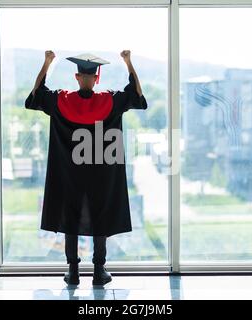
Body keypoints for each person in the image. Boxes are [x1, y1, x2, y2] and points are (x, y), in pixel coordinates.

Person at [24, 50, 147, 286]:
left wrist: (46, 63)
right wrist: (129, 62)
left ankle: (73, 272)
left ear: (77, 77)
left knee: (70, 215)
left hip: (69, 173)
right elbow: (137, 94)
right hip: (102, 172)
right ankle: (99, 271)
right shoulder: (109, 101)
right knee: (101, 215)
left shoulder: (62, 101)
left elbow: (36, 94)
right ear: (96, 79)